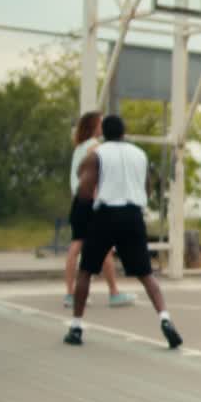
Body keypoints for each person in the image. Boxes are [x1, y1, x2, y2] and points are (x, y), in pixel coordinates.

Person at [67, 114, 183, 349]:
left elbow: (86, 189)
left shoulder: (97, 155)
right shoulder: (139, 154)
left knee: (87, 270)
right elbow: (148, 187)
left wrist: (84, 212)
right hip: (133, 215)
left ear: (103, 133)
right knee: (146, 274)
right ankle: (165, 319)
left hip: (106, 214)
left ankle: (76, 326)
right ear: (124, 131)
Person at [64, 111, 133, 309]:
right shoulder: (95, 147)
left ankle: (70, 293)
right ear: (94, 126)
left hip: (78, 200)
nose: (102, 126)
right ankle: (114, 293)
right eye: (100, 122)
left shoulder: (80, 147)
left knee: (77, 245)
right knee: (103, 247)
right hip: (92, 201)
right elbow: (100, 175)